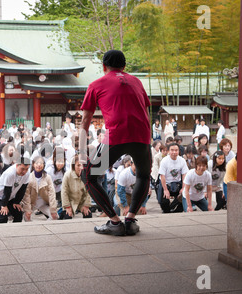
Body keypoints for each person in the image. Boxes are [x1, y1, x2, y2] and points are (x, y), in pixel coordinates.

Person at [79, 49, 152, 236]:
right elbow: (146, 111)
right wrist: (148, 141)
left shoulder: (96, 84)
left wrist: (81, 153)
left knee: (89, 176)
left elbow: (85, 121)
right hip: (142, 136)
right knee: (144, 175)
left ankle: (115, 221)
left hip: (115, 136)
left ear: (104, 66)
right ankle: (131, 220)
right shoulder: (136, 81)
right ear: (125, 66)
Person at [0, 158, 31, 223]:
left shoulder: (27, 173)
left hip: (9, 197)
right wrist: (4, 206)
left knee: (18, 213)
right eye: (22, 169)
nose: (24, 172)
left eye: (26, 169)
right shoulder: (10, 173)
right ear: (17, 165)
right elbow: (7, 191)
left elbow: (23, 189)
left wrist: (17, 202)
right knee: (3, 215)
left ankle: (14, 231)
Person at [23, 156, 58, 221]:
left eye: (41, 163)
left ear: (44, 165)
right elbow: (26, 195)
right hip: (32, 203)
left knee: (55, 217)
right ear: (33, 164)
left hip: (43, 203)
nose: (39, 165)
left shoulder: (48, 177)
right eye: (37, 163)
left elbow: (52, 193)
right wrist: (27, 209)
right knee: (27, 217)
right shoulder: (29, 177)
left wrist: (53, 209)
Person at [157, 143, 189, 213]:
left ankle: (175, 210)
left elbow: (184, 174)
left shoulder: (182, 160)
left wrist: (183, 188)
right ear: (168, 151)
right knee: (164, 202)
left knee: (184, 197)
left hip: (177, 183)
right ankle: (167, 210)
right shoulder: (164, 161)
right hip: (166, 183)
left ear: (178, 151)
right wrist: (165, 190)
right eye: (172, 150)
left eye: (176, 150)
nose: (174, 152)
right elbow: (162, 176)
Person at [61, 155, 92, 219]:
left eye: (83, 165)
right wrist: (67, 206)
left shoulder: (87, 175)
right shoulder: (67, 175)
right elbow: (64, 192)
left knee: (88, 215)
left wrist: (86, 205)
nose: (81, 167)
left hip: (81, 202)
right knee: (67, 216)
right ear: (73, 166)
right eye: (78, 165)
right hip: (70, 202)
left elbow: (88, 192)